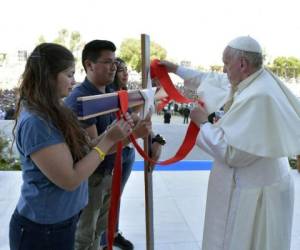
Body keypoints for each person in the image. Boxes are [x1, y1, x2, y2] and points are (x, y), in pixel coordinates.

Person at [161, 36, 299, 250]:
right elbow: (212, 79)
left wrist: (203, 123)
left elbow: (234, 154)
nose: (224, 70)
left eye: (226, 64)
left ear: (242, 64)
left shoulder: (259, 97)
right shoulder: (254, 80)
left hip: (256, 194)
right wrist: (174, 68)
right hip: (258, 184)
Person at [9, 43, 134, 250]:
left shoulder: (55, 109)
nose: (74, 81)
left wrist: (124, 134)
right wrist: (109, 140)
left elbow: (86, 149)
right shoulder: (36, 122)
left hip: (62, 223)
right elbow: (71, 178)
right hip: (41, 232)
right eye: (69, 74)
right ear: (48, 76)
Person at [65, 40, 160, 250]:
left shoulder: (110, 93)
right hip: (91, 178)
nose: (114, 67)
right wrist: (134, 135)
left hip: (108, 174)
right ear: (89, 65)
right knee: (84, 234)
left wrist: (148, 133)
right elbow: (96, 150)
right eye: (107, 62)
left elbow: (124, 123)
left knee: (100, 230)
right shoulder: (81, 99)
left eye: (114, 62)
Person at [99, 57, 135, 250]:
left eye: (126, 69)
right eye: (120, 70)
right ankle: (105, 239)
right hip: (114, 153)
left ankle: (112, 233)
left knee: (116, 197)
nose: (125, 73)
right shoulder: (107, 97)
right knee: (107, 199)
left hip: (128, 151)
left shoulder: (126, 94)